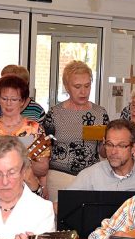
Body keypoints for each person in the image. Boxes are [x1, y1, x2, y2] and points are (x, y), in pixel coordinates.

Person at [43, 61, 109, 202]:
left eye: (87, 86)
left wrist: (105, 145)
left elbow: (103, 152)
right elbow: (44, 150)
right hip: (59, 178)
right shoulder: (54, 114)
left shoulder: (100, 113)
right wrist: (42, 183)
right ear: (67, 87)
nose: (83, 92)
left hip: (91, 178)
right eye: (77, 87)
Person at [0, 75, 49, 196]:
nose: (8, 104)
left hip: (26, 187)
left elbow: (43, 168)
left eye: (14, 99)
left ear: (22, 101)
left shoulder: (35, 128)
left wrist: (23, 161)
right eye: (4, 98)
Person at [68, 119, 135, 192]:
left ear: (134, 147)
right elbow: (62, 205)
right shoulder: (89, 176)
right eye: (109, 144)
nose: (113, 152)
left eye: (121, 146)